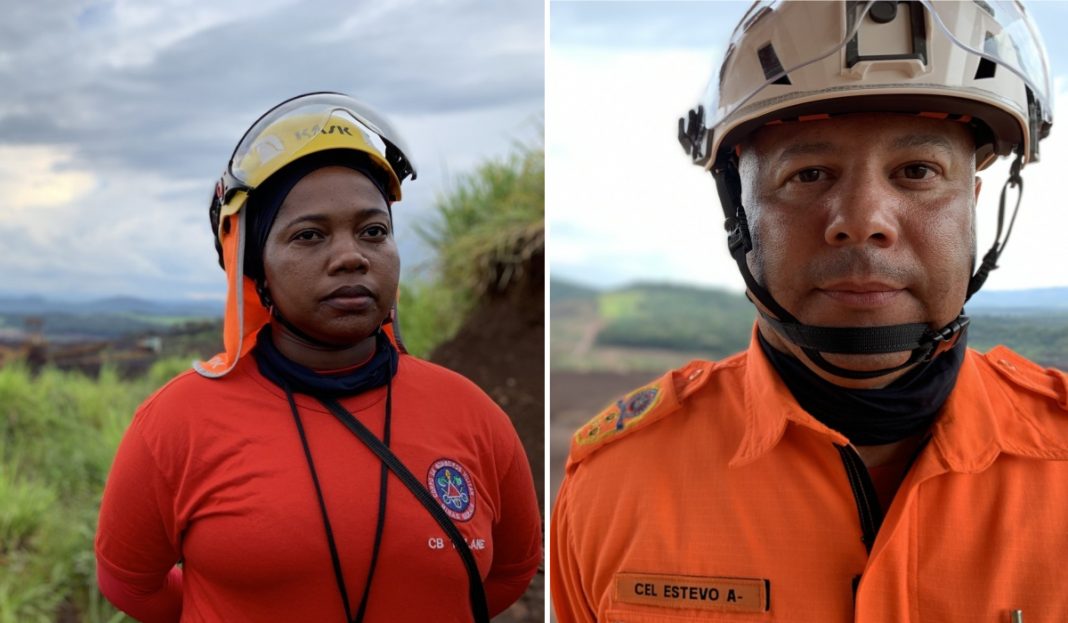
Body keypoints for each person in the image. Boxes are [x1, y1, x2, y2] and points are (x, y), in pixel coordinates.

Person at [551, 1, 1067, 621]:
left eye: (918, 171)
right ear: (738, 213)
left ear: (975, 203)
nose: (862, 222)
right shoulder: (615, 482)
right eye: (809, 173)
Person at [96, 92, 541, 622]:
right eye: (309, 235)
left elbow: (512, 571)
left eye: (373, 231)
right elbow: (131, 584)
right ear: (254, 265)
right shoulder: (176, 424)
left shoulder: (471, 413)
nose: (352, 256)